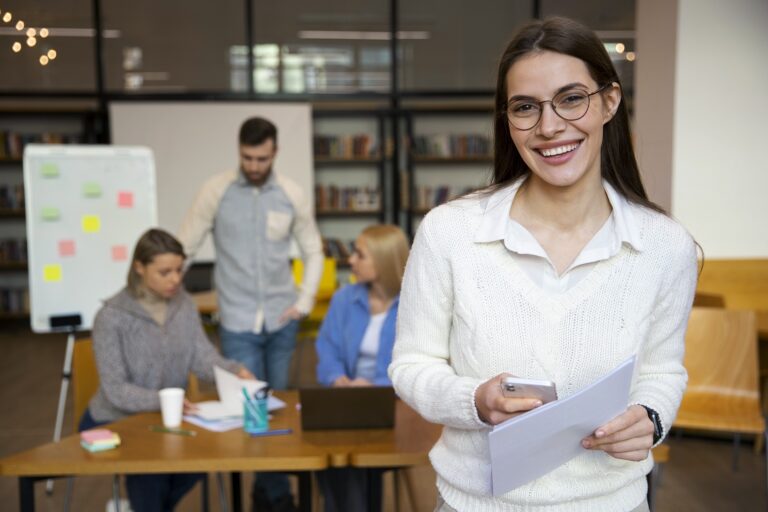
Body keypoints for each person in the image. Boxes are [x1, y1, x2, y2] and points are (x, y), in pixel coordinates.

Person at [389, 17, 698, 512]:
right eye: (525, 108)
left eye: (571, 98)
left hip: (612, 502)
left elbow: (663, 371)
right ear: (507, 119)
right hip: (476, 503)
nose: (549, 126)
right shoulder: (450, 232)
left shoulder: (665, 247)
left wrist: (651, 418)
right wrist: (475, 402)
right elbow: (411, 366)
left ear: (609, 101)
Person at [178, 116, 323, 511]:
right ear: (239, 152)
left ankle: (267, 492)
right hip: (238, 321)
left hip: (281, 321)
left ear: (274, 152)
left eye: (261, 158)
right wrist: (169, 290)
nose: (254, 166)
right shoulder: (216, 190)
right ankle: (276, 497)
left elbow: (313, 250)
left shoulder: (291, 193)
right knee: (251, 413)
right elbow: (185, 246)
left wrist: (305, 302)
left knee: (276, 411)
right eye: (247, 158)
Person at [80, 228, 254, 512]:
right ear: (139, 268)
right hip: (115, 419)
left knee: (203, 458)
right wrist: (162, 400)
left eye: (179, 270)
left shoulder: (183, 304)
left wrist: (235, 372)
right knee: (152, 468)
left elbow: (201, 357)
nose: (175, 279)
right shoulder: (111, 317)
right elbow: (115, 389)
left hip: (170, 417)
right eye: (165, 272)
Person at [314, 224, 409, 512]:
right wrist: (337, 378)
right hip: (348, 400)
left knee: (352, 456)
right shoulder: (345, 298)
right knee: (327, 452)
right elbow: (326, 348)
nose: (351, 260)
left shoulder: (413, 304)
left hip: (397, 404)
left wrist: (376, 386)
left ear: (382, 260)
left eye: (359, 254)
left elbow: (416, 363)